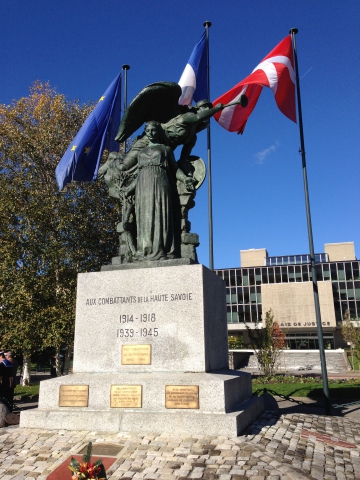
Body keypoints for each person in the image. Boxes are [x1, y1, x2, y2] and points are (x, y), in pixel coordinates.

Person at [123, 121, 194, 261]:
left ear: (158, 132)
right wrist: (129, 189)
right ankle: (144, 249)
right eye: (148, 130)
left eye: (153, 130)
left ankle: (162, 248)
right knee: (143, 216)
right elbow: (137, 174)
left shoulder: (165, 149)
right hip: (143, 185)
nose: (150, 133)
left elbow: (174, 169)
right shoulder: (140, 152)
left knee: (160, 214)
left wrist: (185, 178)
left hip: (160, 181)